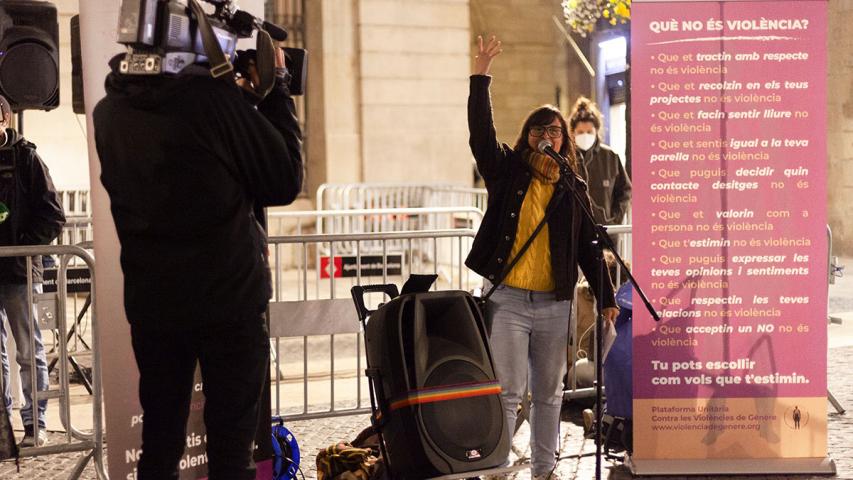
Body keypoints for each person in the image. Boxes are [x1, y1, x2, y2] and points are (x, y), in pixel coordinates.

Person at [93, 44, 303, 479]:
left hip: (154, 305)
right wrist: (278, 89)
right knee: (231, 455)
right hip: (228, 303)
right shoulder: (212, 102)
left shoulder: (108, 111)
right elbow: (282, 179)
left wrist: (235, 98)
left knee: (160, 446)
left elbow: (201, 160)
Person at [468, 35, 618, 479]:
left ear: (565, 139)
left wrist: (607, 293)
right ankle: (496, 463)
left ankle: (543, 470)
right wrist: (481, 74)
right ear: (528, 136)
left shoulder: (573, 184)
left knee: (550, 393)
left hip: (556, 303)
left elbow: (590, 243)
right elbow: (481, 133)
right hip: (509, 300)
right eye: (539, 129)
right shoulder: (506, 170)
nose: (548, 135)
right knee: (509, 391)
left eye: (555, 130)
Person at [0, 94, 66, 448]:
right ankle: (3, 428)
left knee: (28, 351)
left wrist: (22, 246)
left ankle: (34, 425)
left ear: (5, 119)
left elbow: (54, 214)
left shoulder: (27, 158)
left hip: (20, 271)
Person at [568, 97, 631, 227]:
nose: (585, 135)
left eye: (589, 132)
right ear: (573, 132)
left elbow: (625, 190)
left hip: (605, 233)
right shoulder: (567, 158)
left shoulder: (610, 157)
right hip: (574, 232)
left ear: (596, 131)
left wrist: (614, 219)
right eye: (580, 132)